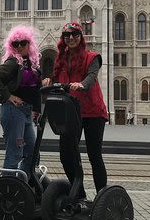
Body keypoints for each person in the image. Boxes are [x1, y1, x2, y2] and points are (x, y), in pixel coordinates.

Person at [42, 21, 109, 197]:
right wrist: (49, 80)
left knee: (94, 155)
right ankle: (79, 193)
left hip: (93, 111)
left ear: (81, 36)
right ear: (63, 39)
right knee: (66, 155)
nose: (71, 38)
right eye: (67, 36)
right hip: (71, 111)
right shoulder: (61, 59)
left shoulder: (92, 57)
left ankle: (102, 196)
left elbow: (92, 76)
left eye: (74, 35)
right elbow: (56, 78)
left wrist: (82, 84)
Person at [0, 25, 42, 178]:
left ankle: (23, 183)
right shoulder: (13, 62)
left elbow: (36, 88)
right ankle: (8, 188)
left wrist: (36, 109)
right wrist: (8, 95)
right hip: (13, 110)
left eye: (23, 43)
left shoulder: (32, 63)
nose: (19, 47)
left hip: (26, 112)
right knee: (15, 152)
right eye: (15, 44)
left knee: (32, 152)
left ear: (29, 44)